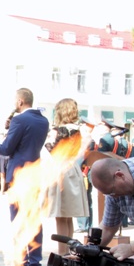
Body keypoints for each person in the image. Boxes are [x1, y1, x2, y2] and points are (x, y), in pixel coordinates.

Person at [0, 88, 49, 266]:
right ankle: (34, 265)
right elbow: (26, 142)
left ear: (20, 101)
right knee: (33, 220)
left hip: (19, 176)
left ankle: (19, 265)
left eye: (15, 101)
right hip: (34, 174)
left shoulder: (19, 120)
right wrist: (9, 128)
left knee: (18, 222)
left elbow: (6, 149)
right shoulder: (43, 121)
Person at [46, 98, 88, 255]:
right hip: (73, 168)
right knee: (68, 215)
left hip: (60, 169)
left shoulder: (59, 130)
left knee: (61, 215)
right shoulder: (77, 129)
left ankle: (62, 252)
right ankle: (70, 250)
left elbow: (51, 149)